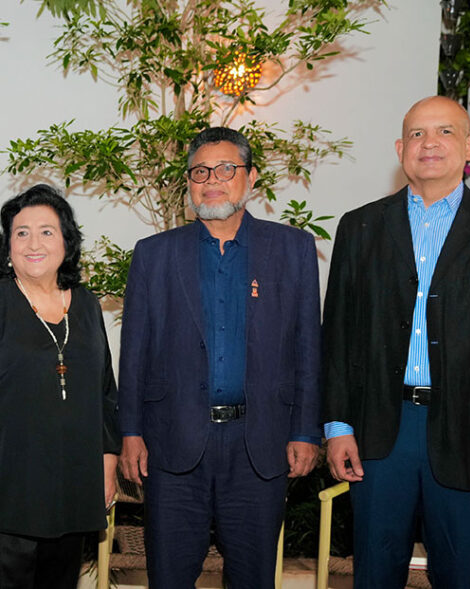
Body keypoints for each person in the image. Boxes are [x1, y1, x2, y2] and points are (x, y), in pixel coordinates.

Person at [321, 95, 470, 588]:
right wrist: (338, 425)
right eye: (416, 134)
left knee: (462, 578)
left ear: (469, 146)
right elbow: (339, 335)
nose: (429, 144)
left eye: (445, 132)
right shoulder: (359, 227)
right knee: (373, 577)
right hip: (380, 435)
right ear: (399, 148)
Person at [118, 127, 322, 588]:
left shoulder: (292, 250)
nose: (213, 179)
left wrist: (306, 430)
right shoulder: (154, 255)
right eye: (200, 171)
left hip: (260, 443)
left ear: (250, 179)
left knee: (252, 577)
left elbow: (308, 346)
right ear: (189, 182)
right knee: (169, 576)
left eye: (226, 169)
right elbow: (134, 353)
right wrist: (130, 431)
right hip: (173, 443)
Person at [0, 184, 120, 589]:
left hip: (71, 495)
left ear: (67, 243)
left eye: (46, 231)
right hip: (2, 499)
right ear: (7, 248)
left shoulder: (87, 306)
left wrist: (106, 471)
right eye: (21, 233)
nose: (33, 243)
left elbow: (105, 396)